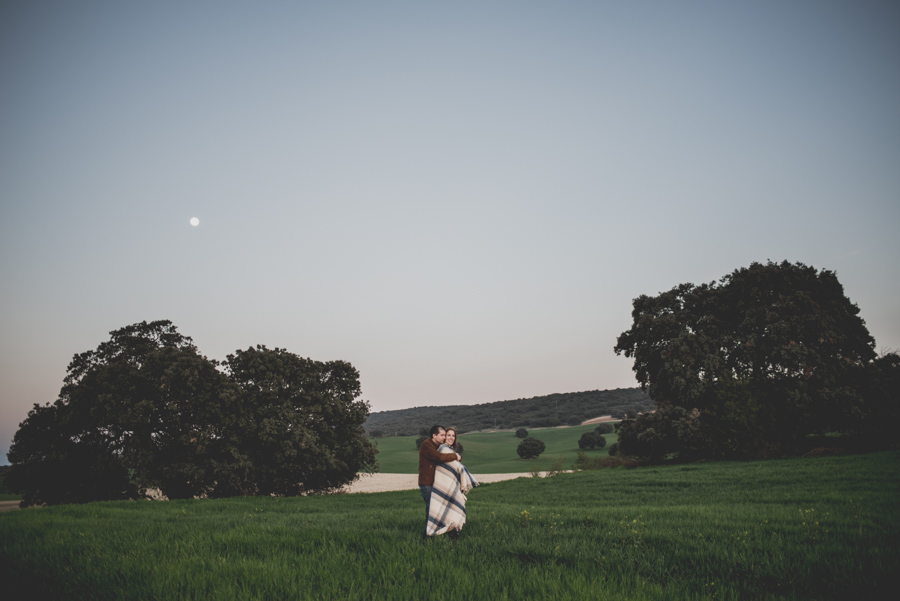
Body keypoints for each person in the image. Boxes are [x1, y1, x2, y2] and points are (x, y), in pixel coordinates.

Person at [419, 425, 478, 539]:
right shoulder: (429, 446)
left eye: (451, 436)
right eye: (444, 435)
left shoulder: (440, 447)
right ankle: (426, 539)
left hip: (436, 485)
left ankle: (448, 533)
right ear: (434, 435)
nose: (446, 437)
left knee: (442, 511)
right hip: (427, 485)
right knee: (432, 514)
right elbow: (440, 457)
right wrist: (455, 456)